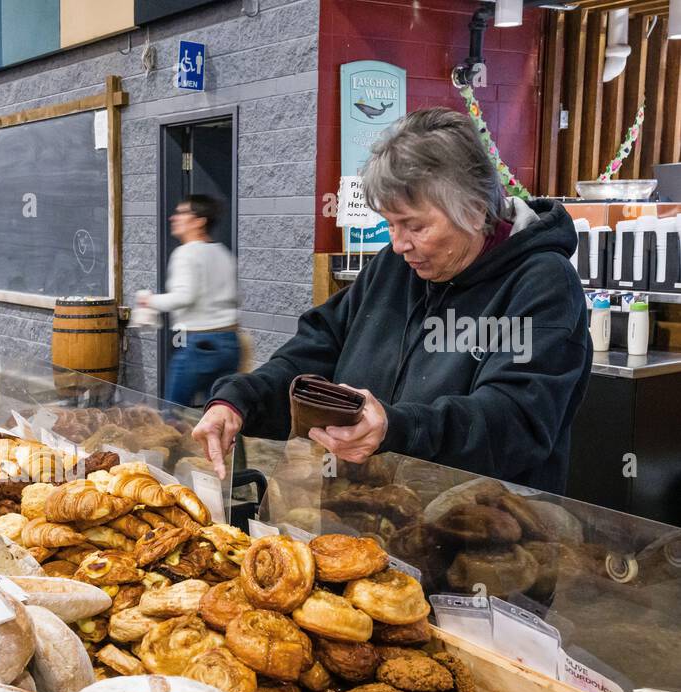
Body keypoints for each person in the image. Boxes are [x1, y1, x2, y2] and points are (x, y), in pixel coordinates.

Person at [194, 107, 591, 494]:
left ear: (472, 210)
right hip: (369, 516)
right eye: (390, 224)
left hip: (489, 534)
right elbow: (317, 350)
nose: (398, 244)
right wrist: (239, 400)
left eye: (415, 226)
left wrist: (396, 428)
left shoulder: (542, 283)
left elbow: (514, 422)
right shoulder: (395, 267)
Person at [137, 195, 240, 408]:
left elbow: (184, 297)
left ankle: (168, 441)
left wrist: (149, 301)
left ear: (199, 221)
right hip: (229, 342)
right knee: (221, 413)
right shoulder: (223, 253)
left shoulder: (185, 253)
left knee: (172, 412)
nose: (174, 218)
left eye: (182, 213)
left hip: (198, 343)